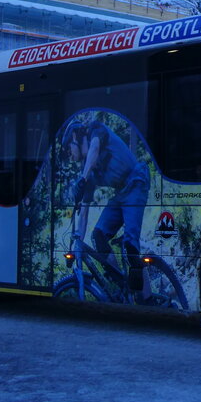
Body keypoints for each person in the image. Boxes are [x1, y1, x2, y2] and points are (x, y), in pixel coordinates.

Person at [69, 121, 150, 292]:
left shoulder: (95, 130)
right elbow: (83, 215)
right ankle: (121, 285)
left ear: (75, 136)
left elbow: (95, 148)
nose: (68, 155)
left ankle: (148, 299)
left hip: (136, 181)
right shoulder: (88, 173)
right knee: (98, 235)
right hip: (120, 193)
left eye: (67, 147)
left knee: (131, 243)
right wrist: (77, 245)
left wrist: (82, 179)